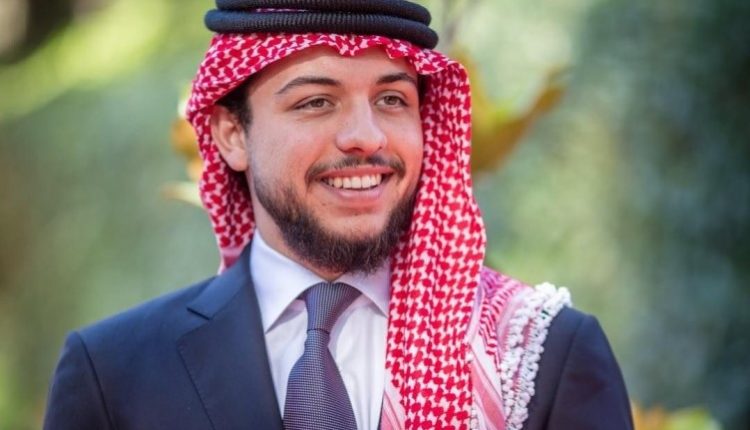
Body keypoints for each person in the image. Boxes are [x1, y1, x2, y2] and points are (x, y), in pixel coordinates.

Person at [43, 1, 633, 429]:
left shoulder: (539, 354)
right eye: (316, 102)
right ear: (231, 135)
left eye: (392, 99)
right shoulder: (114, 374)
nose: (365, 136)